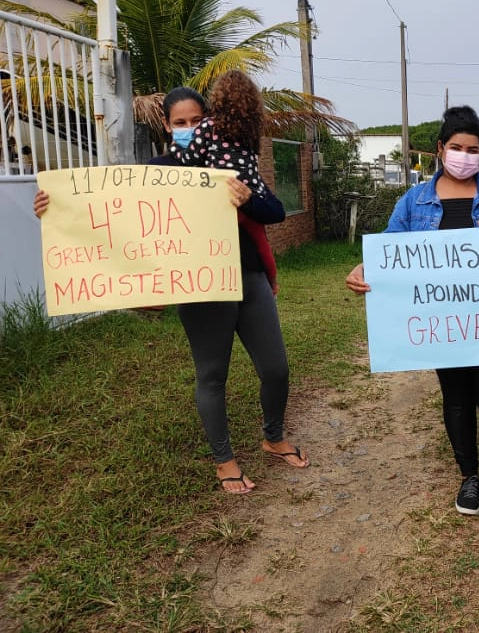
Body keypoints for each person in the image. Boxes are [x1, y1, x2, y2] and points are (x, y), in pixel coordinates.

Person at [34, 82, 306, 494]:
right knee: (212, 375)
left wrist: (247, 197)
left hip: (248, 276)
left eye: (198, 120)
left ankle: (274, 436)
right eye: (181, 122)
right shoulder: (154, 172)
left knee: (276, 368)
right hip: (201, 286)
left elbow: (275, 210)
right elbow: (108, 218)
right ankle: (225, 460)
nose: (191, 128)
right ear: (167, 124)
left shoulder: (231, 158)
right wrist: (54, 208)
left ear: (211, 121)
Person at [345, 105, 479, 516]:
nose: (466, 156)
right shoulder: (413, 203)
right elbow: (391, 251)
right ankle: (469, 475)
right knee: (458, 399)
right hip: (445, 326)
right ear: (440, 149)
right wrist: (364, 267)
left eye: (474, 149)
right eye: (457, 147)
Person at [167, 71, 267, 196]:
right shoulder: (250, 131)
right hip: (254, 190)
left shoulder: (209, 126)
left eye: (196, 120)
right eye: (181, 123)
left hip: (222, 191)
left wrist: (174, 147)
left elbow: (190, 159)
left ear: (218, 99)